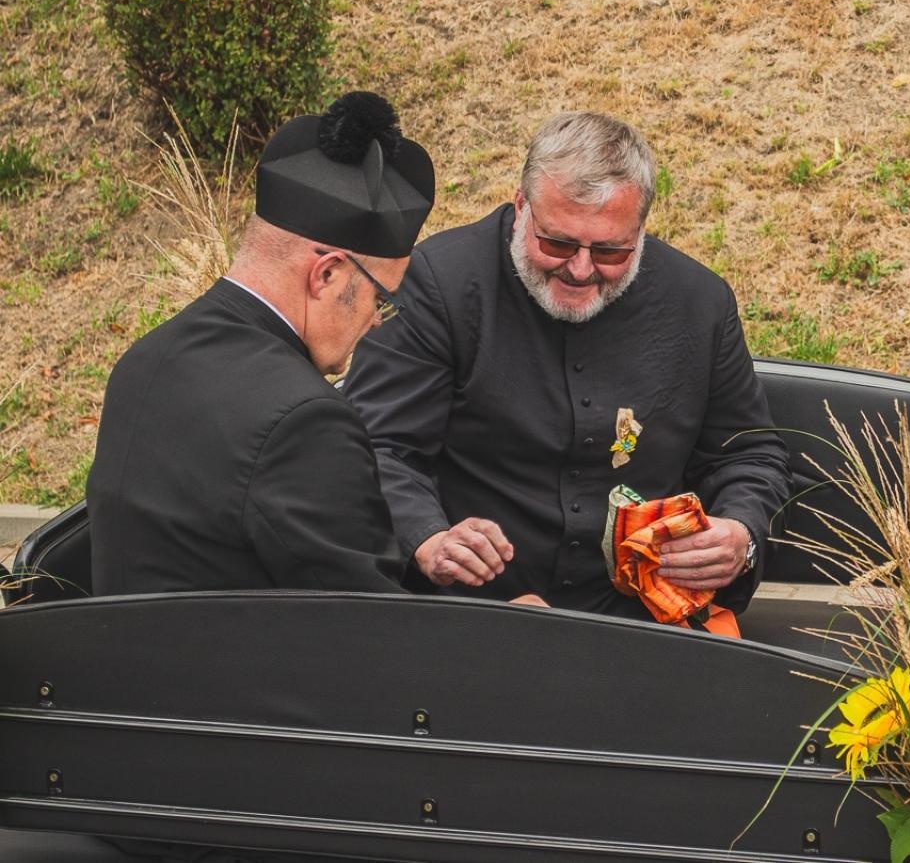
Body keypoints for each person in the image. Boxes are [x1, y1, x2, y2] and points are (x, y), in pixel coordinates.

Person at [342, 111, 791, 619]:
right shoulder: (439, 283)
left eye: (610, 251)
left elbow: (748, 455)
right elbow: (376, 445)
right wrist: (428, 539)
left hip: (641, 622)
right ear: (521, 208)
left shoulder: (699, 303)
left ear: (641, 229)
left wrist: (741, 534)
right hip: (472, 613)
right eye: (557, 243)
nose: (580, 269)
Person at [88, 92, 432, 596]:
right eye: (381, 297)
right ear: (328, 273)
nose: (378, 322)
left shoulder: (146, 358)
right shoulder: (306, 422)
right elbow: (372, 629)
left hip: (125, 664)